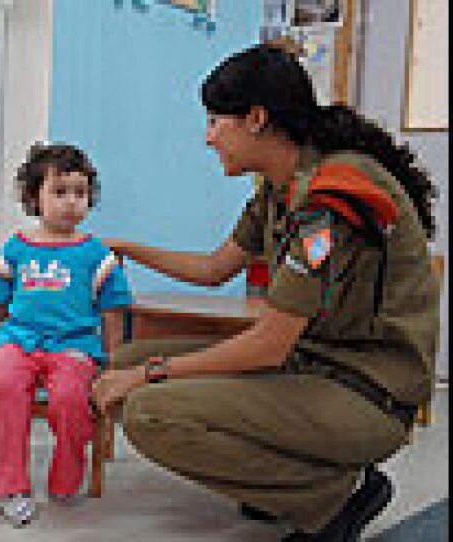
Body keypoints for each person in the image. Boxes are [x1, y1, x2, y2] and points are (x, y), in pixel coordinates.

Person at [92, 44, 440, 541]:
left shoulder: (329, 199)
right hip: (313, 365)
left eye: (216, 121)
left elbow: (269, 343)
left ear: (256, 118)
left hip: (367, 393)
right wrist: (123, 247)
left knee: (149, 406)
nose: (209, 138)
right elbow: (215, 268)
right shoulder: (278, 187)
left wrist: (149, 375)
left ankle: (335, 496)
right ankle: (299, 484)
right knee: (126, 358)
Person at [0, 143, 133, 526]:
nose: (71, 203)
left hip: (74, 346)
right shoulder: (15, 249)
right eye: (59, 192)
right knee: (4, 385)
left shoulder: (96, 255)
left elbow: (113, 310)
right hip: (19, 340)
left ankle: (67, 475)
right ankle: (11, 486)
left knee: (69, 398)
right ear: (35, 196)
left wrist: (112, 361)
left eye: (80, 193)